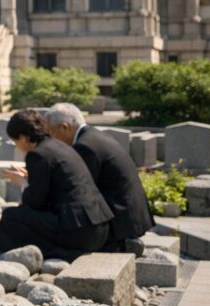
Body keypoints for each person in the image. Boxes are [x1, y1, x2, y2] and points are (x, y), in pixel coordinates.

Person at [0, 109, 114, 260]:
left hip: (79, 234)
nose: (16, 146)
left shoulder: (37, 154)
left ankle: (63, 253)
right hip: (100, 228)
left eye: (15, 141)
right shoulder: (59, 145)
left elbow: (36, 202)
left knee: (10, 216)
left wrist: (22, 183)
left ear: (23, 138)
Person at [45, 103, 153, 256]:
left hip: (120, 221)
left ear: (64, 127)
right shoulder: (93, 136)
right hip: (130, 216)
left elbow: (76, 190)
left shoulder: (85, 146)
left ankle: (120, 243)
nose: (50, 139)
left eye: (51, 133)